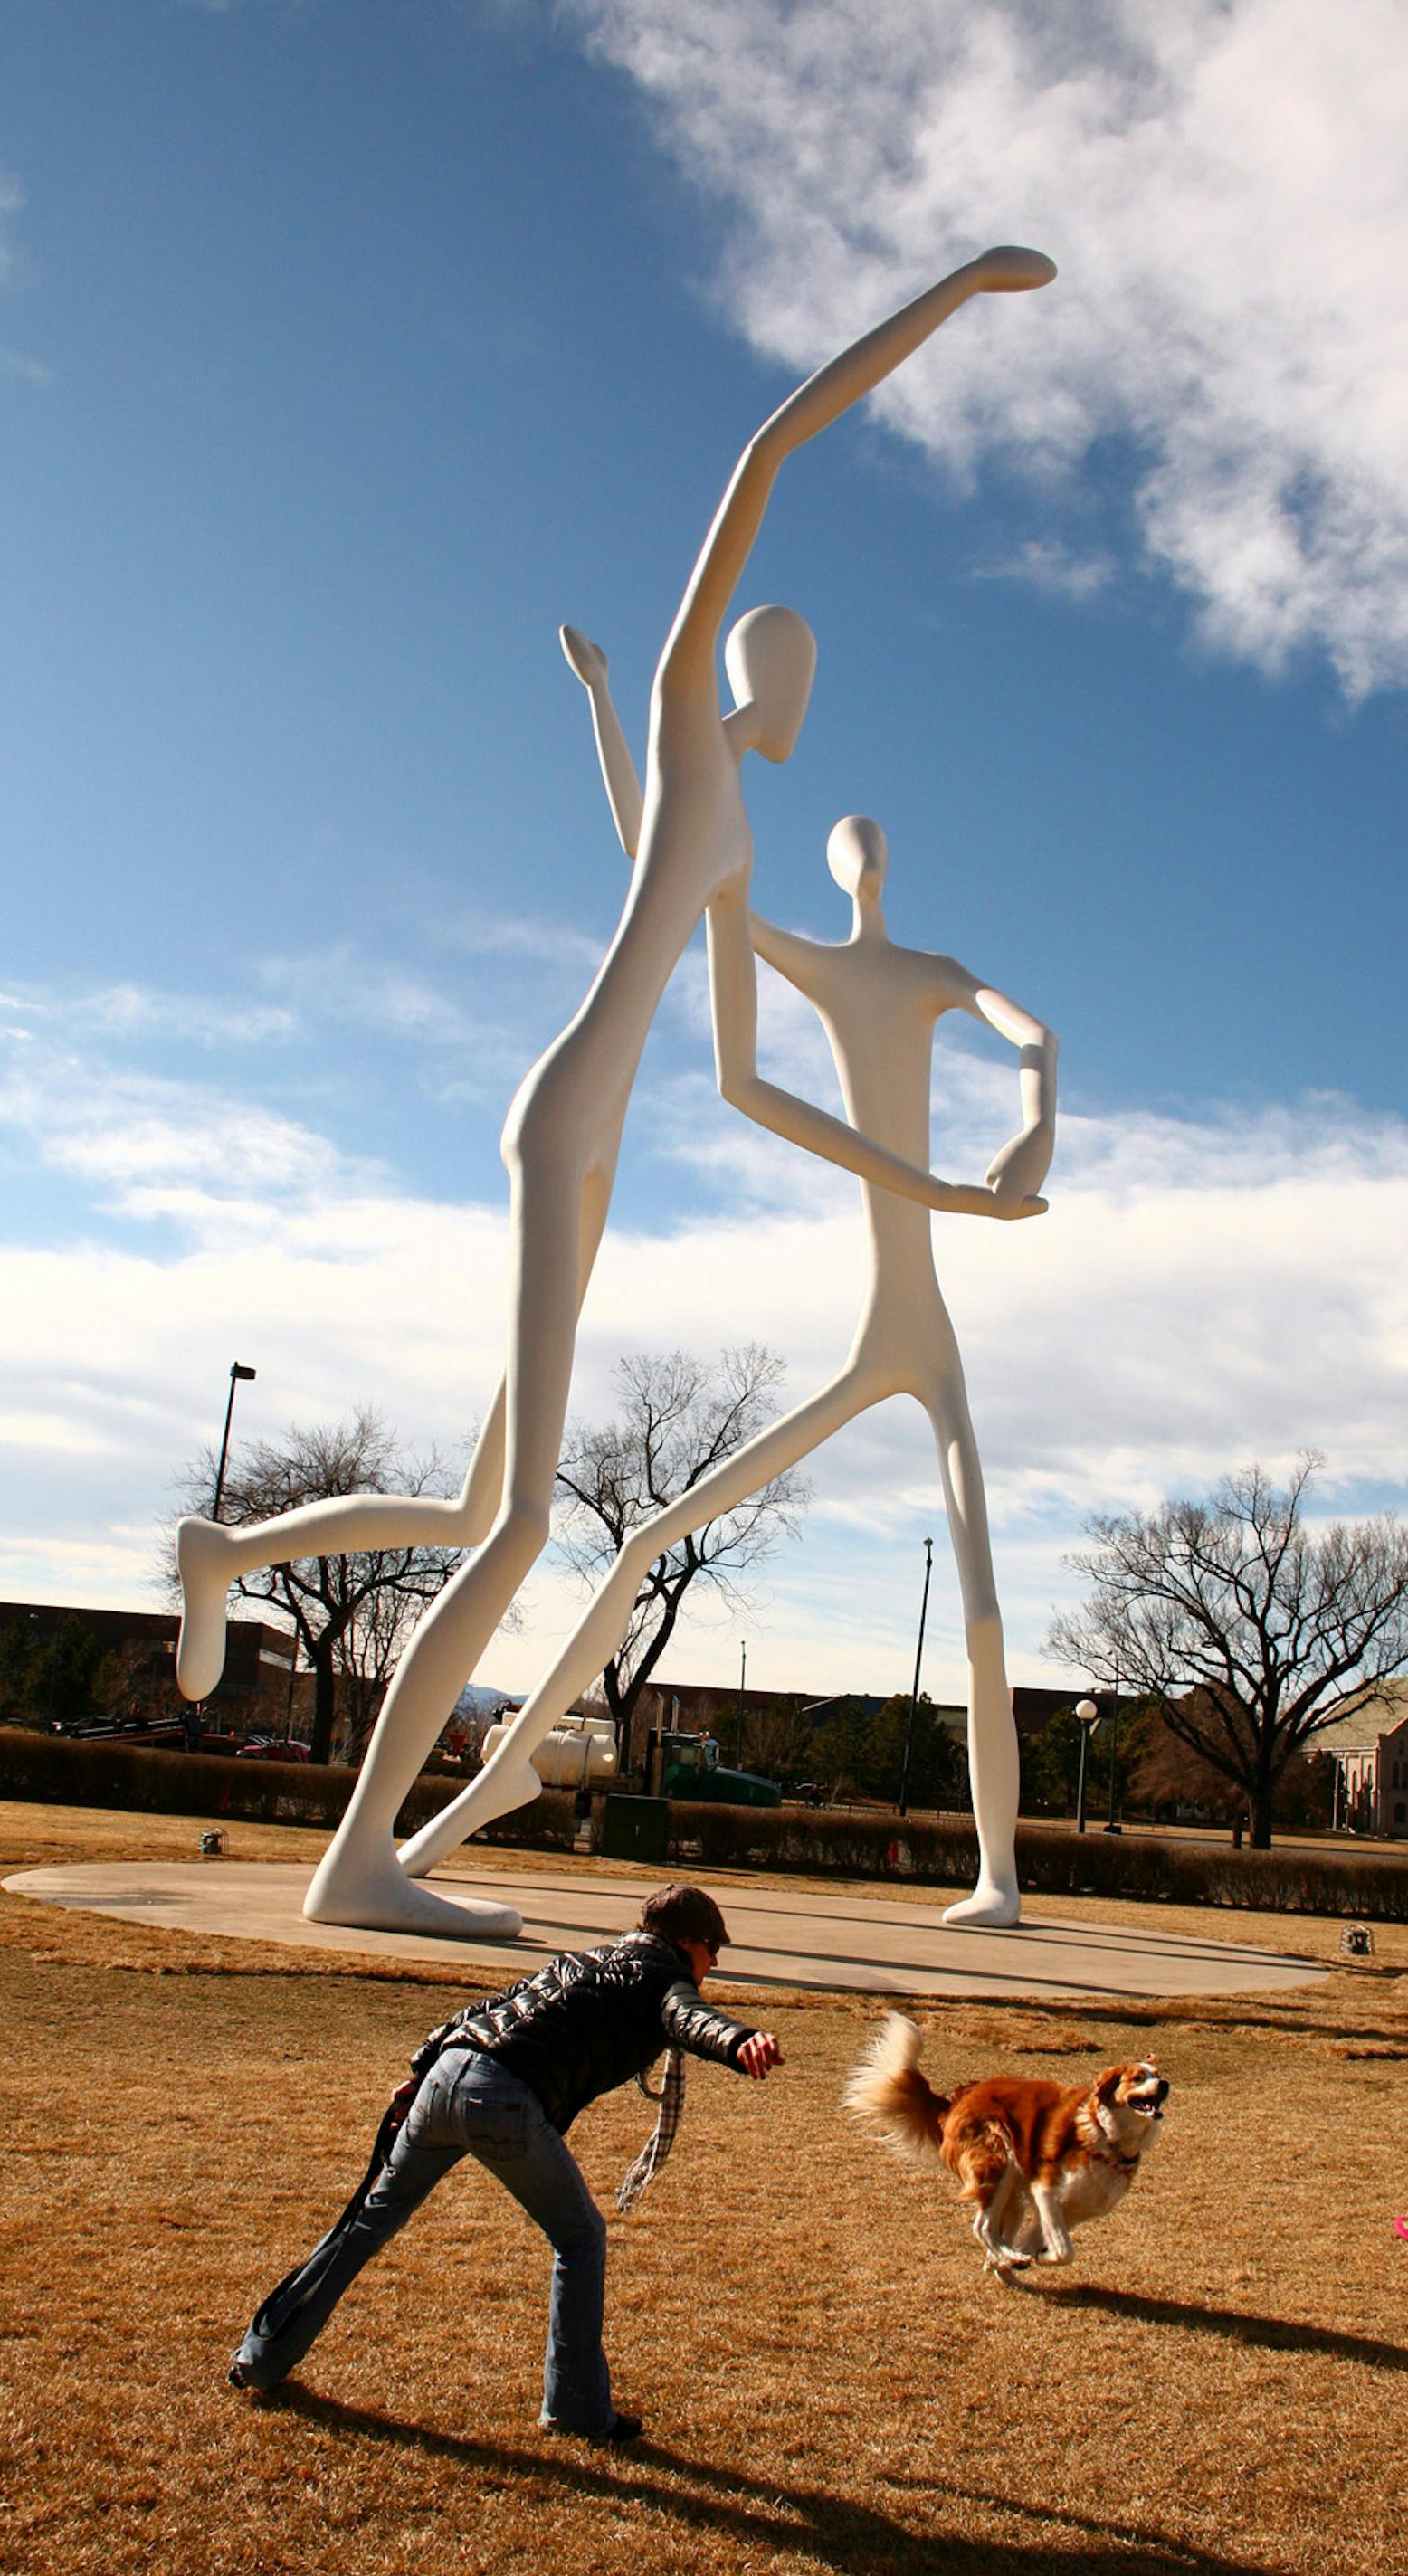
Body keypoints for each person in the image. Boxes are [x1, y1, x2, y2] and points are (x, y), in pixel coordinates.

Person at [171, 245, 1057, 1938]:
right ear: (752, 673)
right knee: (511, 1524)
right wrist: (952, 296)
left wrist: (936, 1195)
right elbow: (765, 459)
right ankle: (362, 1863)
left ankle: (231, 1550)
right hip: (567, 1111)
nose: (802, 702)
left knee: (459, 1504)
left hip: (603, 1143)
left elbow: (738, 1079)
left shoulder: (716, 835)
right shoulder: (693, 720)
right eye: (789, 670)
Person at [399, 807, 1055, 1925]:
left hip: (926, 1331)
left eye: (871, 847)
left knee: (984, 1607)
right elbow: (677, 865)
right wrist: (635, 732)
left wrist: (1035, 1124)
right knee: (652, 1535)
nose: (866, 863)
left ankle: (997, 1875)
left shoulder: (936, 972)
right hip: (877, 1337)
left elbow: (1034, 1033)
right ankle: (492, 1784)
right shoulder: (806, 957)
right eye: (853, 850)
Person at [226, 1883, 780, 2440]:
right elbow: (693, 2020)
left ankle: (259, 2359)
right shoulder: (666, 1978)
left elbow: (487, 2008)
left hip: (446, 2077)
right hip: (503, 2099)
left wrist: (421, 2072)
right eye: (714, 1948)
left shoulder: (584, 1958)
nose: (715, 1962)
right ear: (687, 1941)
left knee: (365, 2225)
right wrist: (741, 2042)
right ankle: (576, 2410)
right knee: (581, 2238)